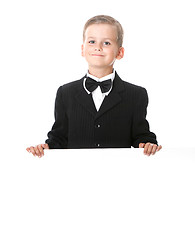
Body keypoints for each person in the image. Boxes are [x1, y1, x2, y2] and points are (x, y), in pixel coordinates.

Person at [26, 15, 162, 158]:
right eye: (92, 41)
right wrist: (45, 148)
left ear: (120, 52)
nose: (98, 47)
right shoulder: (65, 93)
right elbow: (59, 138)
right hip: (75, 172)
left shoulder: (136, 94)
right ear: (82, 49)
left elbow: (140, 136)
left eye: (107, 43)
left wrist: (147, 144)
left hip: (119, 171)